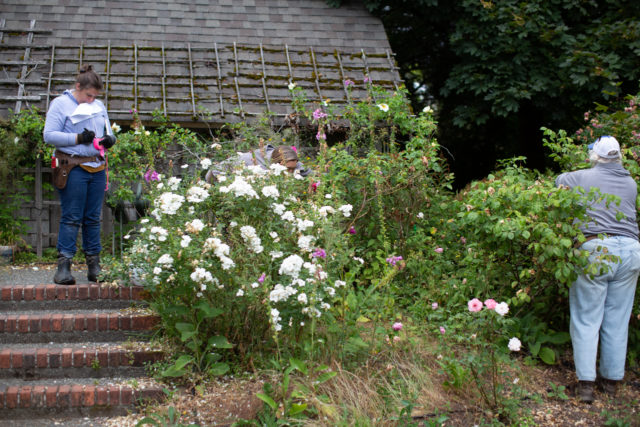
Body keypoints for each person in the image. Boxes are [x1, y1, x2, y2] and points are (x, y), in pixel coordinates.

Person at [555, 135, 640, 403]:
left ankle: (586, 386)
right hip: (631, 251)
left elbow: (558, 181)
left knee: (586, 318)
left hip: (596, 248)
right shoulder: (631, 183)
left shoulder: (582, 177)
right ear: (619, 156)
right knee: (617, 319)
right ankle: (612, 384)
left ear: (596, 156)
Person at [43, 65, 116, 285]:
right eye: (88, 95)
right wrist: (78, 138)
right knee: (72, 217)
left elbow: (106, 130)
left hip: (97, 167)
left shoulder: (98, 105)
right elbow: (49, 135)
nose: (91, 99)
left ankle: (94, 267)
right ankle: (63, 267)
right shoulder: (61, 104)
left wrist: (109, 139)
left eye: (95, 96)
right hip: (72, 167)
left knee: (93, 218)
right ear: (77, 87)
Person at [205, 144, 311, 183]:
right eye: (288, 169)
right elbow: (214, 171)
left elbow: (315, 175)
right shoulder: (248, 160)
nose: (291, 172)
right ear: (278, 163)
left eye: (293, 168)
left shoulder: (292, 162)